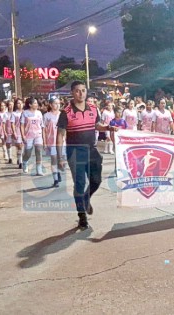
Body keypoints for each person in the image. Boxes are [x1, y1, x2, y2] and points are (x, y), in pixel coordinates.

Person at [57, 80, 118, 229]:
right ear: (72, 92)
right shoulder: (66, 113)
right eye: (77, 91)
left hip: (92, 150)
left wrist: (109, 128)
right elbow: (60, 135)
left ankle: (86, 198)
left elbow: (96, 126)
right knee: (79, 183)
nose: (81, 93)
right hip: (75, 152)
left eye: (83, 90)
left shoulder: (93, 108)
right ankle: (82, 215)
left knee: (96, 181)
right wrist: (59, 157)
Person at [21, 98, 45, 176]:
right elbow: (21, 125)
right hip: (29, 135)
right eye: (34, 103)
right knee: (28, 152)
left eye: (36, 103)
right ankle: (25, 162)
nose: (36, 104)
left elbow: (42, 125)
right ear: (30, 105)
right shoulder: (25, 113)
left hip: (38, 134)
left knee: (38, 151)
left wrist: (44, 137)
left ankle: (39, 169)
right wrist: (23, 135)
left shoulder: (39, 113)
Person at [43, 98, 62, 187]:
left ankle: (58, 171)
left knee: (61, 159)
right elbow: (44, 129)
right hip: (51, 141)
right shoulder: (47, 116)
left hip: (62, 141)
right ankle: (55, 179)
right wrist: (44, 142)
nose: (57, 105)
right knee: (54, 159)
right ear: (50, 105)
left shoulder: (62, 115)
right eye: (55, 103)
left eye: (59, 103)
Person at [11, 99, 25, 169]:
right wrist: (14, 132)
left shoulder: (26, 113)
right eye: (18, 103)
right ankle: (21, 162)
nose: (19, 105)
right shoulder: (14, 113)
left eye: (21, 103)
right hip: (18, 131)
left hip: (25, 132)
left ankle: (20, 158)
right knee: (19, 146)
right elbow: (12, 123)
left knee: (24, 147)